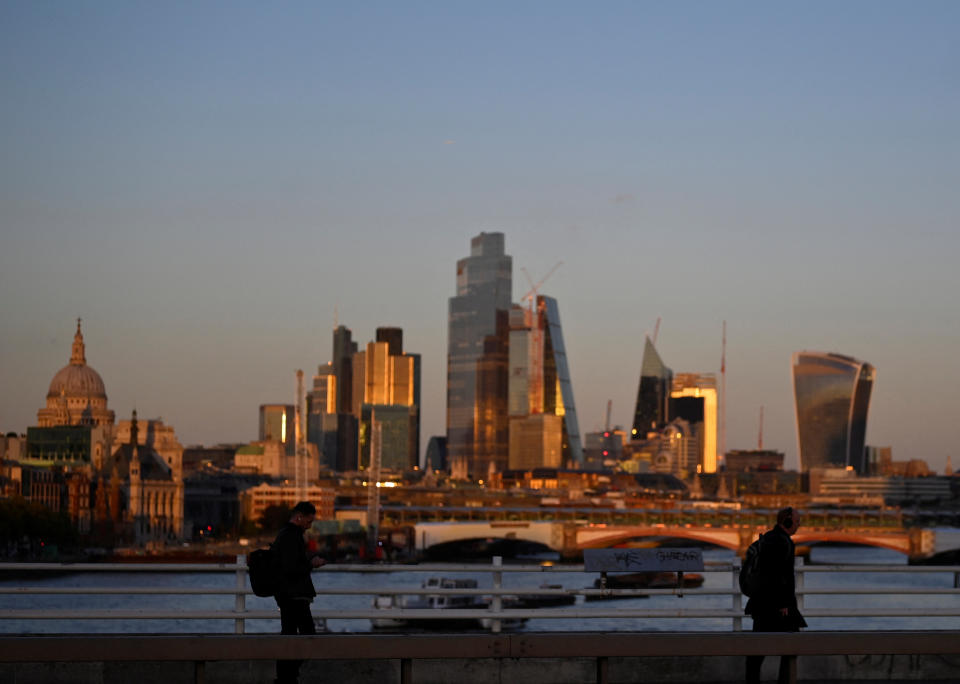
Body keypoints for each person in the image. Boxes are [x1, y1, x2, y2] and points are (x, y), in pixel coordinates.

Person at [745, 506, 807, 684]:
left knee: (758, 649)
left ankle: (752, 680)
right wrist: (784, 605)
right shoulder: (782, 542)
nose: (799, 525)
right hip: (778, 605)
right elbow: (779, 576)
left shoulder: (767, 538)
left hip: (760, 603)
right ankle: (785, 679)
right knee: (791, 645)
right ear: (787, 521)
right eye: (796, 521)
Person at [273, 501, 326, 684]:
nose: (309, 526)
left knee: (289, 634)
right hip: (294, 594)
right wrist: (311, 563)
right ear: (299, 517)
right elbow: (291, 567)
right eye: (309, 521)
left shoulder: (284, 534)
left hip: (286, 594)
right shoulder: (291, 536)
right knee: (307, 636)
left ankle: (285, 677)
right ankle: (287, 676)